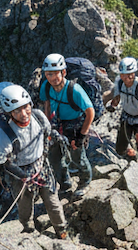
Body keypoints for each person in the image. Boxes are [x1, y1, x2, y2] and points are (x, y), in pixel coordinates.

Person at [0, 85, 67, 238]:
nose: (24, 113)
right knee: (25, 205)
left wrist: (56, 139)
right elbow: (1, 161)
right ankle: (28, 228)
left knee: (52, 199)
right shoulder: (5, 135)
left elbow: (47, 132)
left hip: (41, 165)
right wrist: (22, 175)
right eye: (17, 110)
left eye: (26, 107)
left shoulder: (38, 116)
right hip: (20, 174)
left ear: (30, 104)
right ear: (10, 113)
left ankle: (61, 229)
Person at [39, 53, 95, 197]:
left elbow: (90, 112)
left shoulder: (74, 90)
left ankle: (85, 182)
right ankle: (65, 184)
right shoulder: (46, 86)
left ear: (63, 72)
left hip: (75, 126)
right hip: (55, 125)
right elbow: (46, 104)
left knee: (77, 157)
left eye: (55, 74)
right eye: (49, 74)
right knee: (54, 158)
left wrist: (82, 135)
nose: (52, 78)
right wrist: (47, 126)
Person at [103, 57, 138, 168]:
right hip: (126, 117)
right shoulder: (120, 82)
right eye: (123, 74)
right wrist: (112, 105)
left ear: (133, 73)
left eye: (129, 74)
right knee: (120, 149)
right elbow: (117, 97)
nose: (125, 77)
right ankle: (131, 156)